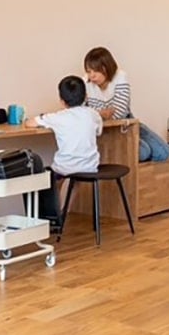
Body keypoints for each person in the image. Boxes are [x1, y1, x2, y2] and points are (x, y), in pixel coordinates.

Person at [36, 75, 104, 231]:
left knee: (53, 176)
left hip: (65, 168)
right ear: (86, 97)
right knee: (74, 179)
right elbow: (99, 132)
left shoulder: (57, 117)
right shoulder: (93, 114)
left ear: (61, 101)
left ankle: (54, 215)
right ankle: (63, 212)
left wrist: (42, 117)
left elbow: (30, 123)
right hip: (89, 167)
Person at [81, 47, 130, 121]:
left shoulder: (120, 77)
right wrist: (101, 114)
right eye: (88, 71)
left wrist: (96, 114)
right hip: (95, 124)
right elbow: (79, 112)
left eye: (96, 70)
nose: (92, 75)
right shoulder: (85, 81)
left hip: (123, 122)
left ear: (107, 67)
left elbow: (119, 112)